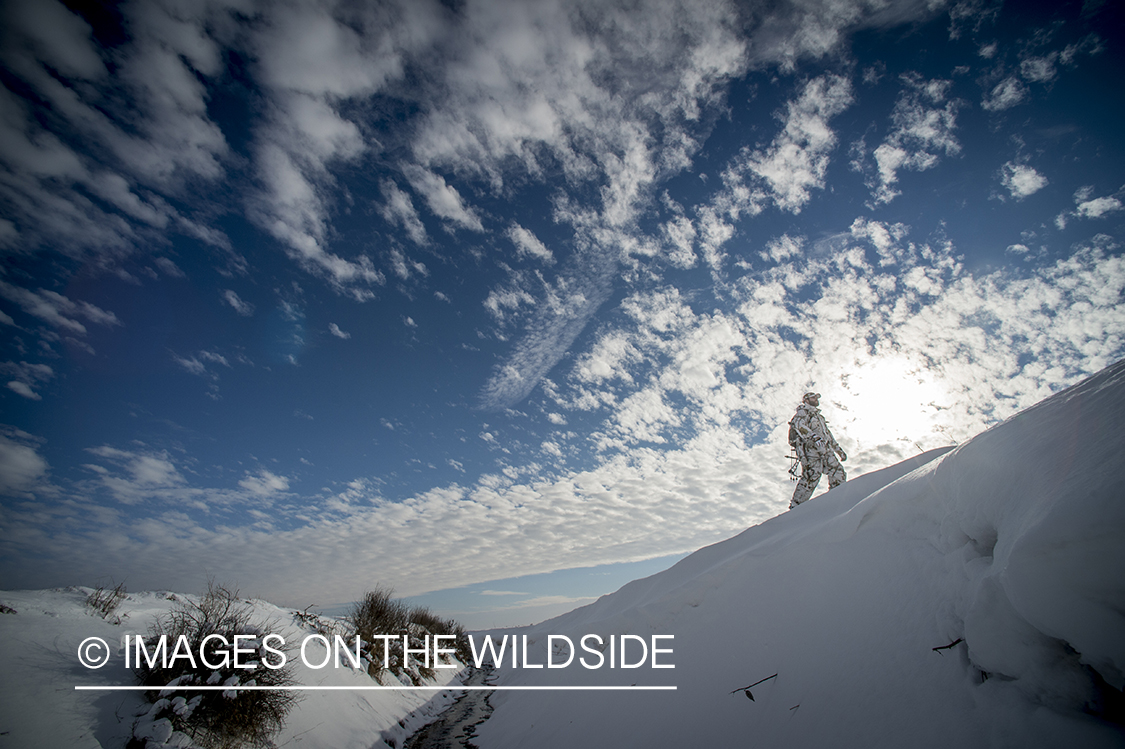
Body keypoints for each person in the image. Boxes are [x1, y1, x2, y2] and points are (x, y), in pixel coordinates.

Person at [788, 391, 847, 509]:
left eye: (816, 397)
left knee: (837, 471)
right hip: (811, 450)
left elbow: (828, 435)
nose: (816, 399)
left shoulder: (819, 417)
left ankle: (836, 497)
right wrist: (813, 437)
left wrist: (838, 450)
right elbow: (799, 426)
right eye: (813, 397)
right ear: (807, 400)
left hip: (825, 449)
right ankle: (796, 507)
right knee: (812, 475)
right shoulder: (803, 412)